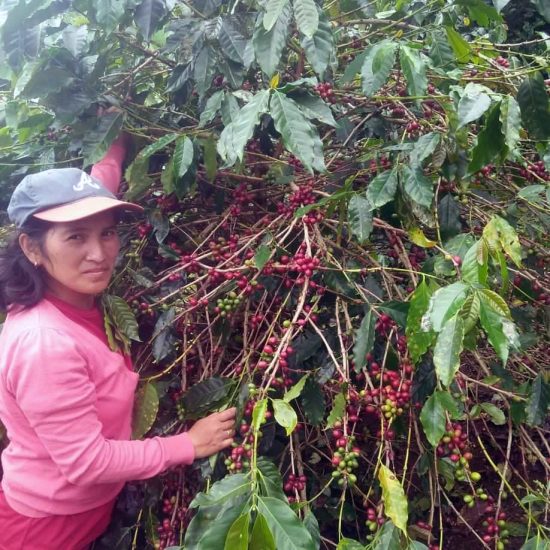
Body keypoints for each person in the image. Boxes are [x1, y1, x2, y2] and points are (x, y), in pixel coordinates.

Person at [0, 132, 236, 549]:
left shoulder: (65, 293)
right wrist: (188, 444)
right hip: (48, 529)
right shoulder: (44, 343)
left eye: (108, 233)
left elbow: (100, 187)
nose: (99, 253)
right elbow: (87, 463)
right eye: (76, 237)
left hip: (86, 510)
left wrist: (115, 140)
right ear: (31, 248)